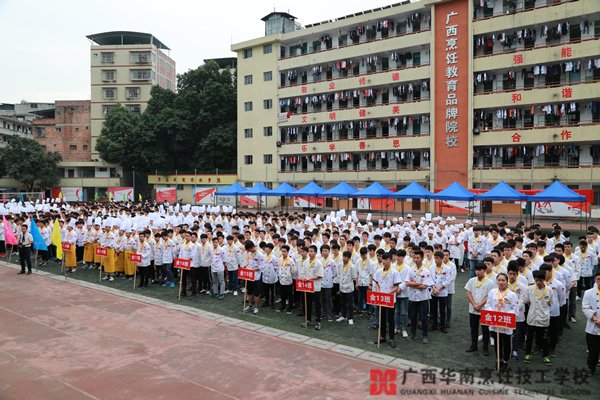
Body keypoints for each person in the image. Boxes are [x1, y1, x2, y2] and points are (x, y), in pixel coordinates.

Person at [485, 273, 519, 372]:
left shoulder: (512, 295)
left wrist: (504, 316)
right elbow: (488, 305)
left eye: (503, 280)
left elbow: (515, 309)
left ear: (507, 281)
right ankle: (498, 360)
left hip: (506, 323)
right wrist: (493, 313)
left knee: (507, 343)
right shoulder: (492, 292)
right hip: (495, 322)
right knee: (497, 343)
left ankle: (505, 362)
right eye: (499, 280)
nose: (501, 282)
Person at [523, 269, 553, 365]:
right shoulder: (529, 289)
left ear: (544, 279)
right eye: (536, 280)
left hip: (544, 318)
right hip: (532, 317)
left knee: (544, 338)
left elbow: (550, 303)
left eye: (540, 280)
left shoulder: (549, 290)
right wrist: (533, 309)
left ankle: (545, 355)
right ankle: (528, 353)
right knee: (529, 338)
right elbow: (527, 302)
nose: (538, 282)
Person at [465, 263, 495, 355]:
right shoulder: (472, 280)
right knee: (473, 328)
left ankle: (485, 347)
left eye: (480, 270)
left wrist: (480, 305)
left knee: (485, 329)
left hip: (484, 309)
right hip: (473, 308)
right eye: (476, 270)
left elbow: (489, 296)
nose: (478, 272)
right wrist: (474, 304)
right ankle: (473, 345)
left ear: (484, 271)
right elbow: (468, 292)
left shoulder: (490, 282)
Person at [372, 253, 400, 348]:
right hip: (381, 298)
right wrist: (378, 291)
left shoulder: (394, 272)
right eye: (383, 259)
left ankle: (391, 338)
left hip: (390, 298)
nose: (384, 261)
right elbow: (376, 282)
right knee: (382, 318)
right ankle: (382, 337)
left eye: (386, 259)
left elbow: (396, 286)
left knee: (391, 319)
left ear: (390, 260)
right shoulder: (379, 271)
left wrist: (388, 293)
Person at [405, 249, 433, 344]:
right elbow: (407, 283)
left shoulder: (426, 271)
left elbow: (425, 286)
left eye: (417, 258)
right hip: (412, 297)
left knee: (424, 317)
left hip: (423, 298)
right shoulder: (410, 270)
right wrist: (418, 283)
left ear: (422, 258)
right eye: (414, 257)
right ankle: (413, 334)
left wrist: (412, 284)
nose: (415, 259)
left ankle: (425, 335)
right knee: (413, 316)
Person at [300, 245, 324, 330]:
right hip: (307, 287)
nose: (310, 253)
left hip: (316, 287)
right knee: (307, 304)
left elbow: (319, 276)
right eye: (309, 251)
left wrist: (309, 278)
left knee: (317, 305)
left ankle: (318, 321)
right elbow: (303, 272)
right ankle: (308, 320)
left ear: (315, 252)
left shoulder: (318, 263)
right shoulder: (306, 262)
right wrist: (304, 277)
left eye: (311, 251)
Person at [507, 262, 527, 359]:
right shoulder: (503, 284)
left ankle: (515, 349)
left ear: (517, 274)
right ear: (507, 274)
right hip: (506, 313)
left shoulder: (522, 286)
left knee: (516, 333)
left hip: (518, 314)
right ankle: (507, 349)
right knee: (506, 332)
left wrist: (514, 310)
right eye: (510, 274)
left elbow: (522, 300)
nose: (511, 276)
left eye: (514, 274)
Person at [582, 272, 600, 376]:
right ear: (595, 280)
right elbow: (585, 307)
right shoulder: (588, 293)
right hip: (593, 325)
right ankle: (591, 367)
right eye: (598, 279)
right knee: (592, 348)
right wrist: (595, 319)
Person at [429, 251, 451, 333]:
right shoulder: (431, 267)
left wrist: (438, 288)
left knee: (442, 310)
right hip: (433, 290)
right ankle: (434, 324)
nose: (436, 260)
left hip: (442, 292)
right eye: (435, 258)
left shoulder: (447, 268)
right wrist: (434, 288)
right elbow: (429, 279)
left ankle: (442, 326)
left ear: (442, 259)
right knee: (433, 309)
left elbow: (448, 280)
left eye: (437, 258)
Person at [243, 241, 264, 315]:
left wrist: (253, 270)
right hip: (249, 275)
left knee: (257, 293)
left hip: (256, 276)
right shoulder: (249, 253)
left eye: (249, 249)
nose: (249, 251)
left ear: (252, 247)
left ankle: (256, 307)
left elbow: (262, 267)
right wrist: (245, 266)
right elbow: (248, 261)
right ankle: (250, 305)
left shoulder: (260, 255)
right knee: (250, 292)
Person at [336, 250, 357, 325]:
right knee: (343, 303)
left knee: (350, 304)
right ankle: (343, 316)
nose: (344, 258)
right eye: (343, 256)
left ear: (349, 258)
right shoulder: (340, 265)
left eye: (345, 257)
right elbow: (338, 274)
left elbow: (354, 277)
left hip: (349, 288)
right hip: (342, 287)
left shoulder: (352, 266)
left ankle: (350, 318)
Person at [277, 245, 295, 313]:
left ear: (288, 252)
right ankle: (283, 306)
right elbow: (278, 268)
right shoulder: (279, 259)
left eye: (284, 251)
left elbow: (293, 270)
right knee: (282, 294)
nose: (283, 253)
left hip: (288, 280)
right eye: (282, 251)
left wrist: (289, 275)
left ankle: (290, 307)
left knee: (290, 295)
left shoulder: (290, 260)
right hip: (281, 279)